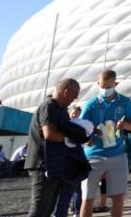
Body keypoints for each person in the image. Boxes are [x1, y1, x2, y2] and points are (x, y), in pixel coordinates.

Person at [25, 78, 88, 217]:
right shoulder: (49, 106)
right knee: (40, 208)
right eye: (75, 94)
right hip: (43, 165)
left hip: (52, 164)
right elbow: (49, 134)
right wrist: (71, 139)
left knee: (47, 208)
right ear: (66, 92)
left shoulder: (60, 109)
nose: (75, 98)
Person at [80, 70, 131, 217]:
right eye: (102, 86)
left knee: (118, 198)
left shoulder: (125, 102)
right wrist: (91, 135)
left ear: (115, 84)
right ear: (98, 84)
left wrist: (125, 125)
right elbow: (80, 129)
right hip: (93, 155)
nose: (105, 90)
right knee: (87, 198)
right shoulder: (91, 104)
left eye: (108, 87)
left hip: (117, 154)